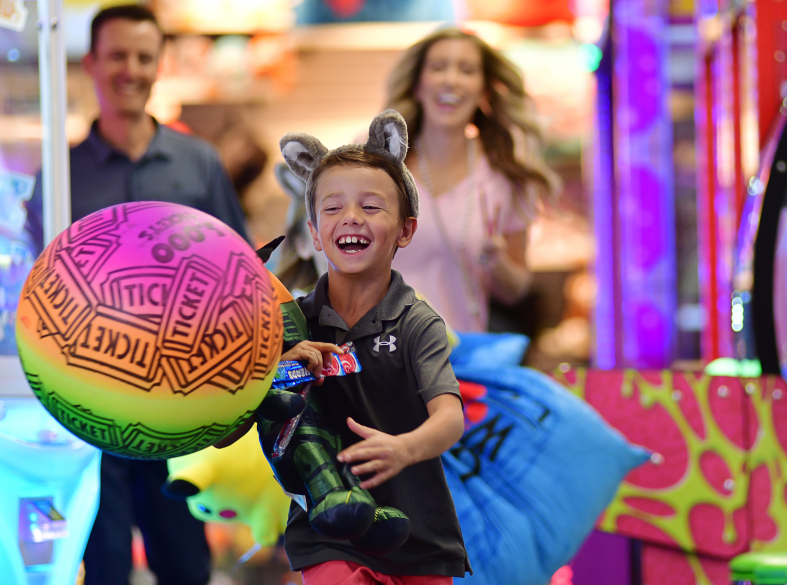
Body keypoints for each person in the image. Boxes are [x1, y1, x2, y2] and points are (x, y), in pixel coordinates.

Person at [24, 6, 248, 585]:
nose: (131, 69)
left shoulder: (197, 162)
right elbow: (32, 290)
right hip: (90, 407)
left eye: (143, 57)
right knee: (102, 566)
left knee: (185, 563)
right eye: (117, 55)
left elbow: (243, 277)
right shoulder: (62, 173)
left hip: (184, 400)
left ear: (160, 64)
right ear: (91, 64)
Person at [273, 111, 469, 583]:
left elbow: (449, 417)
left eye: (372, 206)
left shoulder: (417, 322)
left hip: (419, 537)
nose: (352, 218)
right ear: (315, 233)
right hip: (328, 532)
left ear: (406, 229)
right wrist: (274, 369)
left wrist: (403, 449)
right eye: (333, 207)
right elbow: (236, 413)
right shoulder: (287, 321)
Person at [384, 28, 558, 332]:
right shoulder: (378, 160)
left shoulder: (506, 174)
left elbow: (516, 289)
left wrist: (496, 259)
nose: (451, 79)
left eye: (467, 70)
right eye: (438, 67)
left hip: (456, 362)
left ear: (484, 92)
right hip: (375, 354)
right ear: (417, 85)